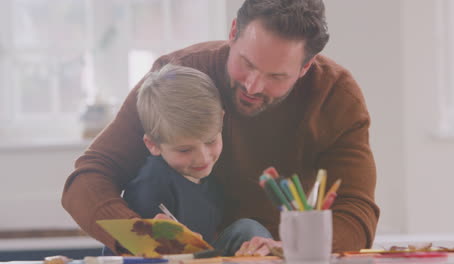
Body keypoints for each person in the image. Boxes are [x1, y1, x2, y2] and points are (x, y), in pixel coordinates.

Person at [62, 0, 379, 256]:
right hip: (167, 249)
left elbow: (357, 211)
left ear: (305, 67)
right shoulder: (175, 77)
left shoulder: (335, 96)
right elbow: (88, 178)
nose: (253, 86)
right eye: (247, 63)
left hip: (255, 249)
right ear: (233, 33)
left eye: (276, 76)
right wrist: (138, 234)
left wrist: (292, 250)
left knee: (249, 230)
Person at [101, 64, 224, 255]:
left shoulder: (206, 173)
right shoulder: (152, 185)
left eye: (211, 141)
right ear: (153, 145)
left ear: (222, 121)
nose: (203, 157)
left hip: (199, 256)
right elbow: (139, 250)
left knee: (247, 229)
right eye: (184, 150)